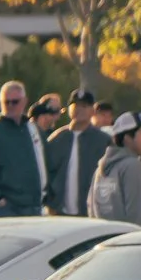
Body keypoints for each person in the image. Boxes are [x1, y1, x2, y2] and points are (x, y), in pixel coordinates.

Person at [0, 80, 49, 217]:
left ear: (24, 101)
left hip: (35, 207)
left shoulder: (33, 130)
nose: (10, 105)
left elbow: (47, 163)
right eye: (6, 102)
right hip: (6, 210)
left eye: (15, 101)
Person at [46, 88, 103, 217]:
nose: (79, 109)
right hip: (60, 212)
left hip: (91, 212)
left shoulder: (102, 141)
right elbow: (46, 173)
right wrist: (51, 202)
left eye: (84, 106)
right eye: (75, 105)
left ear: (92, 111)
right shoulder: (57, 139)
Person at [89, 112, 141, 227]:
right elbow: (137, 217)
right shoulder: (133, 166)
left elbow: (91, 208)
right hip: (127, 241)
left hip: (102, 241)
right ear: (127, 138)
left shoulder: (100, 169)